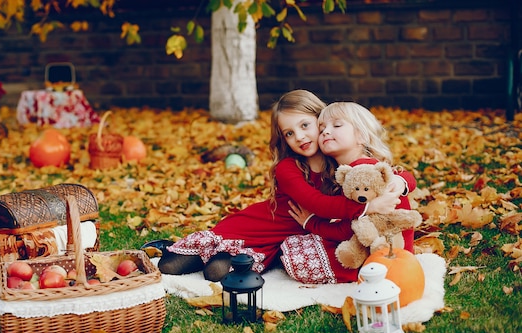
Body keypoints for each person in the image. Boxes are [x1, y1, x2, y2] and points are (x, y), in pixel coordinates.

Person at [157, 90, 401, 282]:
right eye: (289, 133)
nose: (300, 137)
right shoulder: (288, 167)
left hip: (289, 238)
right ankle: (176, 248)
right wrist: (367, 208)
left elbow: (390, 172)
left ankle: (237, 258)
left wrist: (401, 182)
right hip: (259, 227)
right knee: (168, 265)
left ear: (321, 121)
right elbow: (318, 204)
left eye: (305, 126)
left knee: (216, 272)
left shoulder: (339, 160)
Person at [281, 101, 417, 284]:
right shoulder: (359, 168)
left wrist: (311, 223)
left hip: (384, 257)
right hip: (377, 249)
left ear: (361, 136)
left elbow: (347, 231)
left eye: (336, 125)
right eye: (321, 129)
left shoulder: (362, 174)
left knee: (297, 253)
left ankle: (358, 274)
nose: (326, 132)